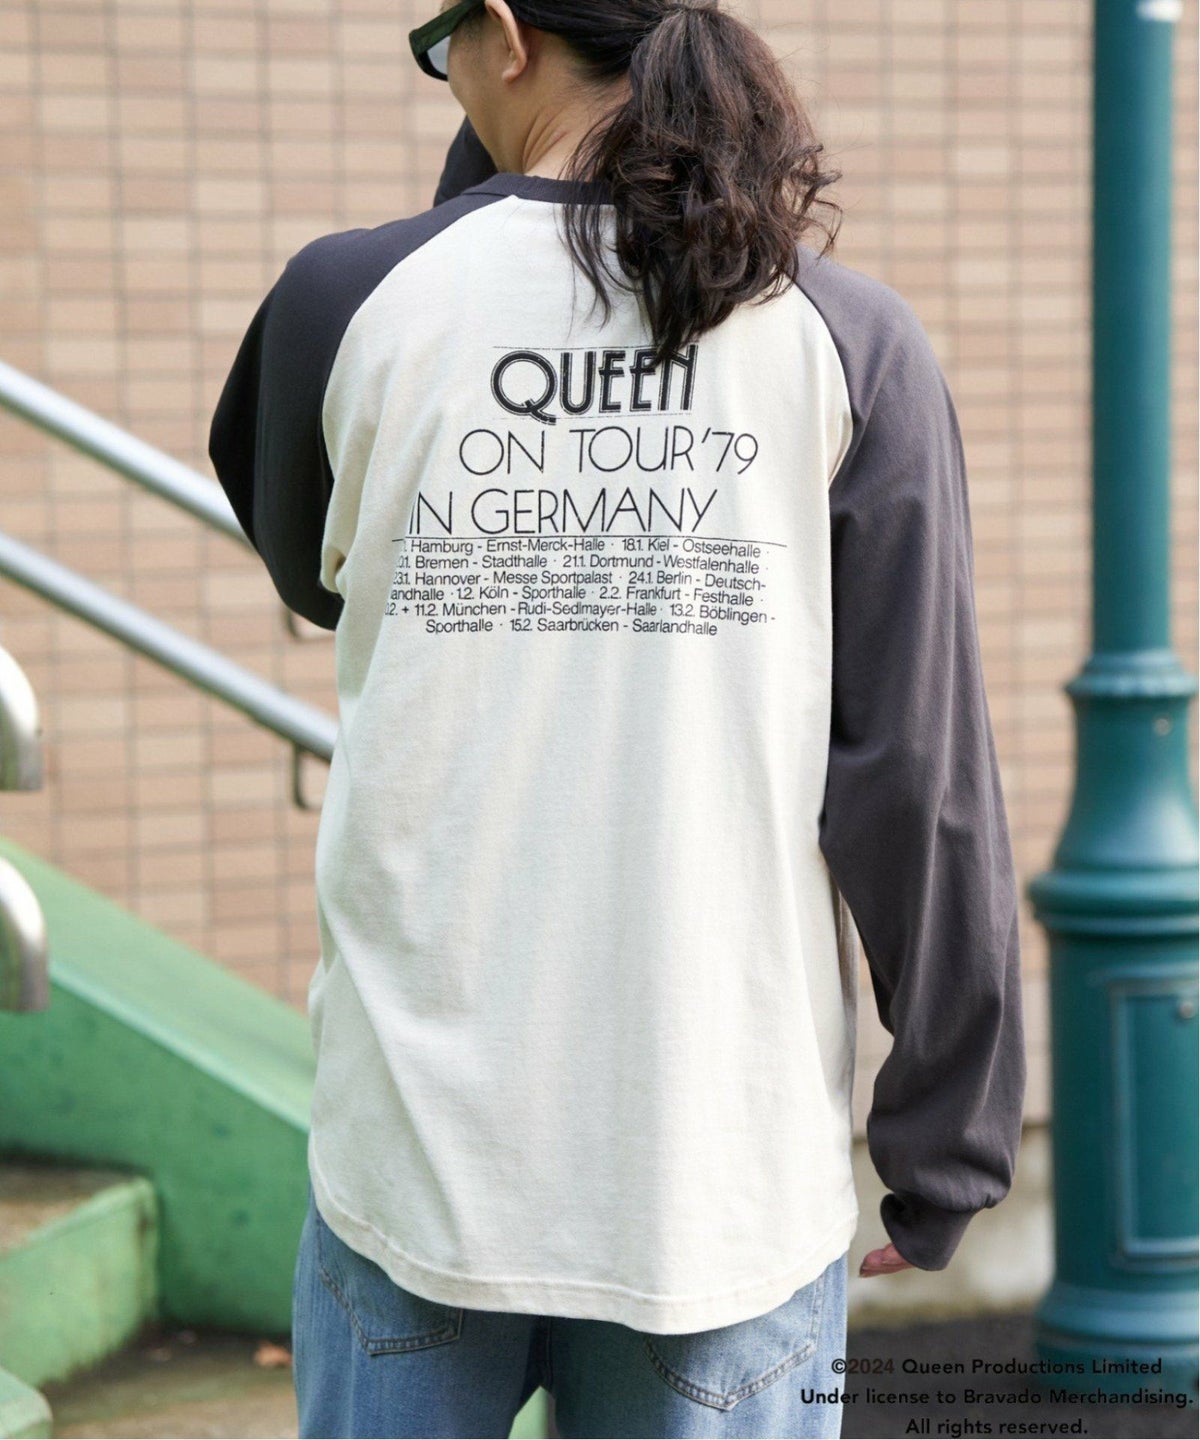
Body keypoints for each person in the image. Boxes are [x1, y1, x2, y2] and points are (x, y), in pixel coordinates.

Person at [207, 1, 1026, 1435]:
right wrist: (949, 1139)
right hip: (716, 1183)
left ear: (506, 34)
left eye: (442, 45)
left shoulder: (350, 300)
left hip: (416, 1166)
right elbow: (919, 779)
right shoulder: (845, 339)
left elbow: (310, 573)